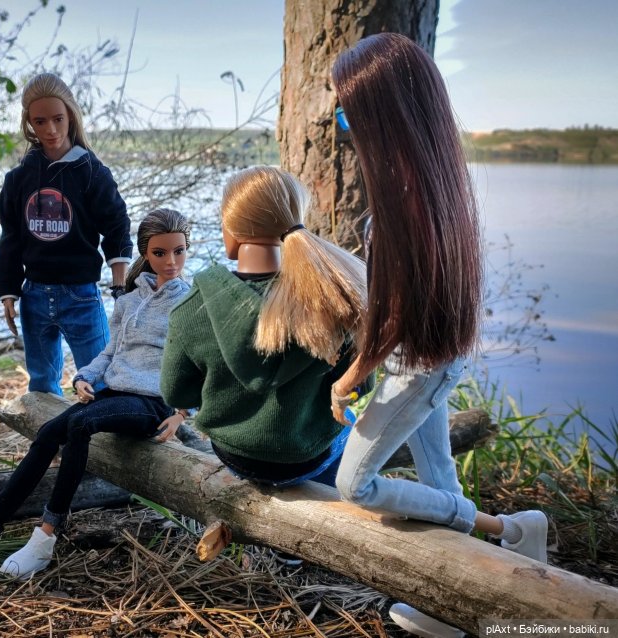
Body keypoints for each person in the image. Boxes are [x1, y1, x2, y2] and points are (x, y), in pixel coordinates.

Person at [329, 33, 548, 638]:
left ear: (383, 115)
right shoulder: (427, 186)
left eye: (349, 113)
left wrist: (350, 379)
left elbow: (395, 318)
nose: (344, 127)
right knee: (437, 482)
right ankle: (461, 591)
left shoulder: (410, 201)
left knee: (357, 483)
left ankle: (507, 531)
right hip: (422, 358)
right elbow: (391, 307)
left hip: (418, 364)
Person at [0, 209, 193, 579]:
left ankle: (46, 535)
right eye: (160, 253)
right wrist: (84, 377)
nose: (171, 261)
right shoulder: (128, 300)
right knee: (48, 432)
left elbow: (202, 361)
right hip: (112, 392)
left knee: (79, 425)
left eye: (179, 251)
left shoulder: (189, 302)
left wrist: (182, 413)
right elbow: (111, 353)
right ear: (146, 253)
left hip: (151, 404)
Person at [161, 165, 369, 488]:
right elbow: (360, 385)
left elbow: (176, 391)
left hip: (235, 455)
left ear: (232, 229)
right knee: (344, 436)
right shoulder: (332, 296)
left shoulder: (192, 307)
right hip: (310, 454)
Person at [0, 72, 133, 395]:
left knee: (99, 377)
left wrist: (119, 284)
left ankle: (108, 439)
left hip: (81, 295)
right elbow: (11, 238)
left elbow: (116, 224)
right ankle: (50, 441)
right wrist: (8, 291)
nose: (50, 130)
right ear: (29, 123)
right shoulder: (19, 179)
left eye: (57, 119)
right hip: (35, 295)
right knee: (42, 383)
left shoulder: (90, 172)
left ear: (71, 115)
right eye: (40, 121)